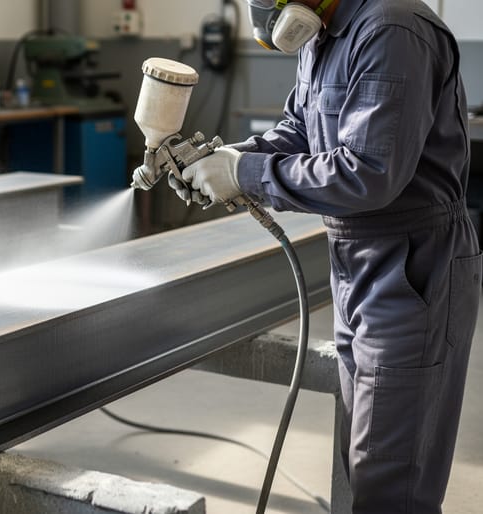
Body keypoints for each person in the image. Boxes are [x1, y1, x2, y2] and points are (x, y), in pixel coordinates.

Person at [172, 0, 482, 512]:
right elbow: (299, 131)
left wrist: (245, 176)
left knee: (390, 475)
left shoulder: (392, 29)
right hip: (358, 260)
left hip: (412, 266)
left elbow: (368, 174)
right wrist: (230, 159)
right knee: (365, 453)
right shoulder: (323, 32)